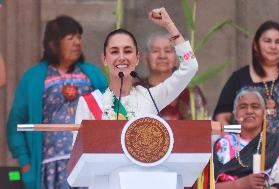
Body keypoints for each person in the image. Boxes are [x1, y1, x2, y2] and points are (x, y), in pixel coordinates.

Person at [6, 15, 108, 189]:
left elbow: (111, 111)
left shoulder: (92, 74)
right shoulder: (34, 78)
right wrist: (26, 165)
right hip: (50, 169)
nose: (77, 42)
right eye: (70, 38)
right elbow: (15, 125)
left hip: (87, 165)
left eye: (79, 37)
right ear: (53, 44)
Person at [75, 7, 198, 125]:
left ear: (137, 58)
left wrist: (169, 25)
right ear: (104, 59)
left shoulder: (150, 97)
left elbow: (190, 67)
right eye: (114, 52)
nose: (121, 57)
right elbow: (80, 145)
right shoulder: (88, 102)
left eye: (128, 51)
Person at [213, 20, 279, 134]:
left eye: (278, 42)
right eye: (267, 41)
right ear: (255, 45)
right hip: (245, 149)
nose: (273, 46)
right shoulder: (239, 78)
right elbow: (221, 117)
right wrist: (233, 142)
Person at [213, 88, 279, 189]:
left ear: (264, 114)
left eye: (255, 107)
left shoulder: (277, 144)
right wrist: (240, 184)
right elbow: (210, 185)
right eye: (243, 107)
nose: (249, 111)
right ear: (235, 114)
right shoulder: (223, 145)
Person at [135, 31, 207, 120]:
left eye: (168, 51)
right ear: (145, 59)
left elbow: (202, 124)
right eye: (155, 51)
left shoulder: (190, 92)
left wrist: (169, 24)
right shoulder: (136, 89)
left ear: (177, 59)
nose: (162, 56)